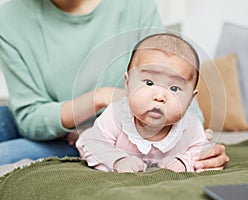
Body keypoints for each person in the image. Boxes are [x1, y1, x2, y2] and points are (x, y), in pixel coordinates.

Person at [0, 0, 229, 170]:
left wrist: (193, 148)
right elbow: (29, 117)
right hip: (55, 128)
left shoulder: (134, 5)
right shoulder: (9, 18)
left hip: (95, 135)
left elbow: (176, 81)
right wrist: (101, 97)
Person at [77, 33, 213, 173]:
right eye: (149, 83)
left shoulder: (190, 125)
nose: (159, 97)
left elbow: (202, 153)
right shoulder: (115, 115)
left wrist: (184, 162)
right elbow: (94, 146)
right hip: (96, 137)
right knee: (89, 137)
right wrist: (118, 160)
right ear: (128, 83)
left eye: (174, 88)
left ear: (190, 99)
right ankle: (81, 132)